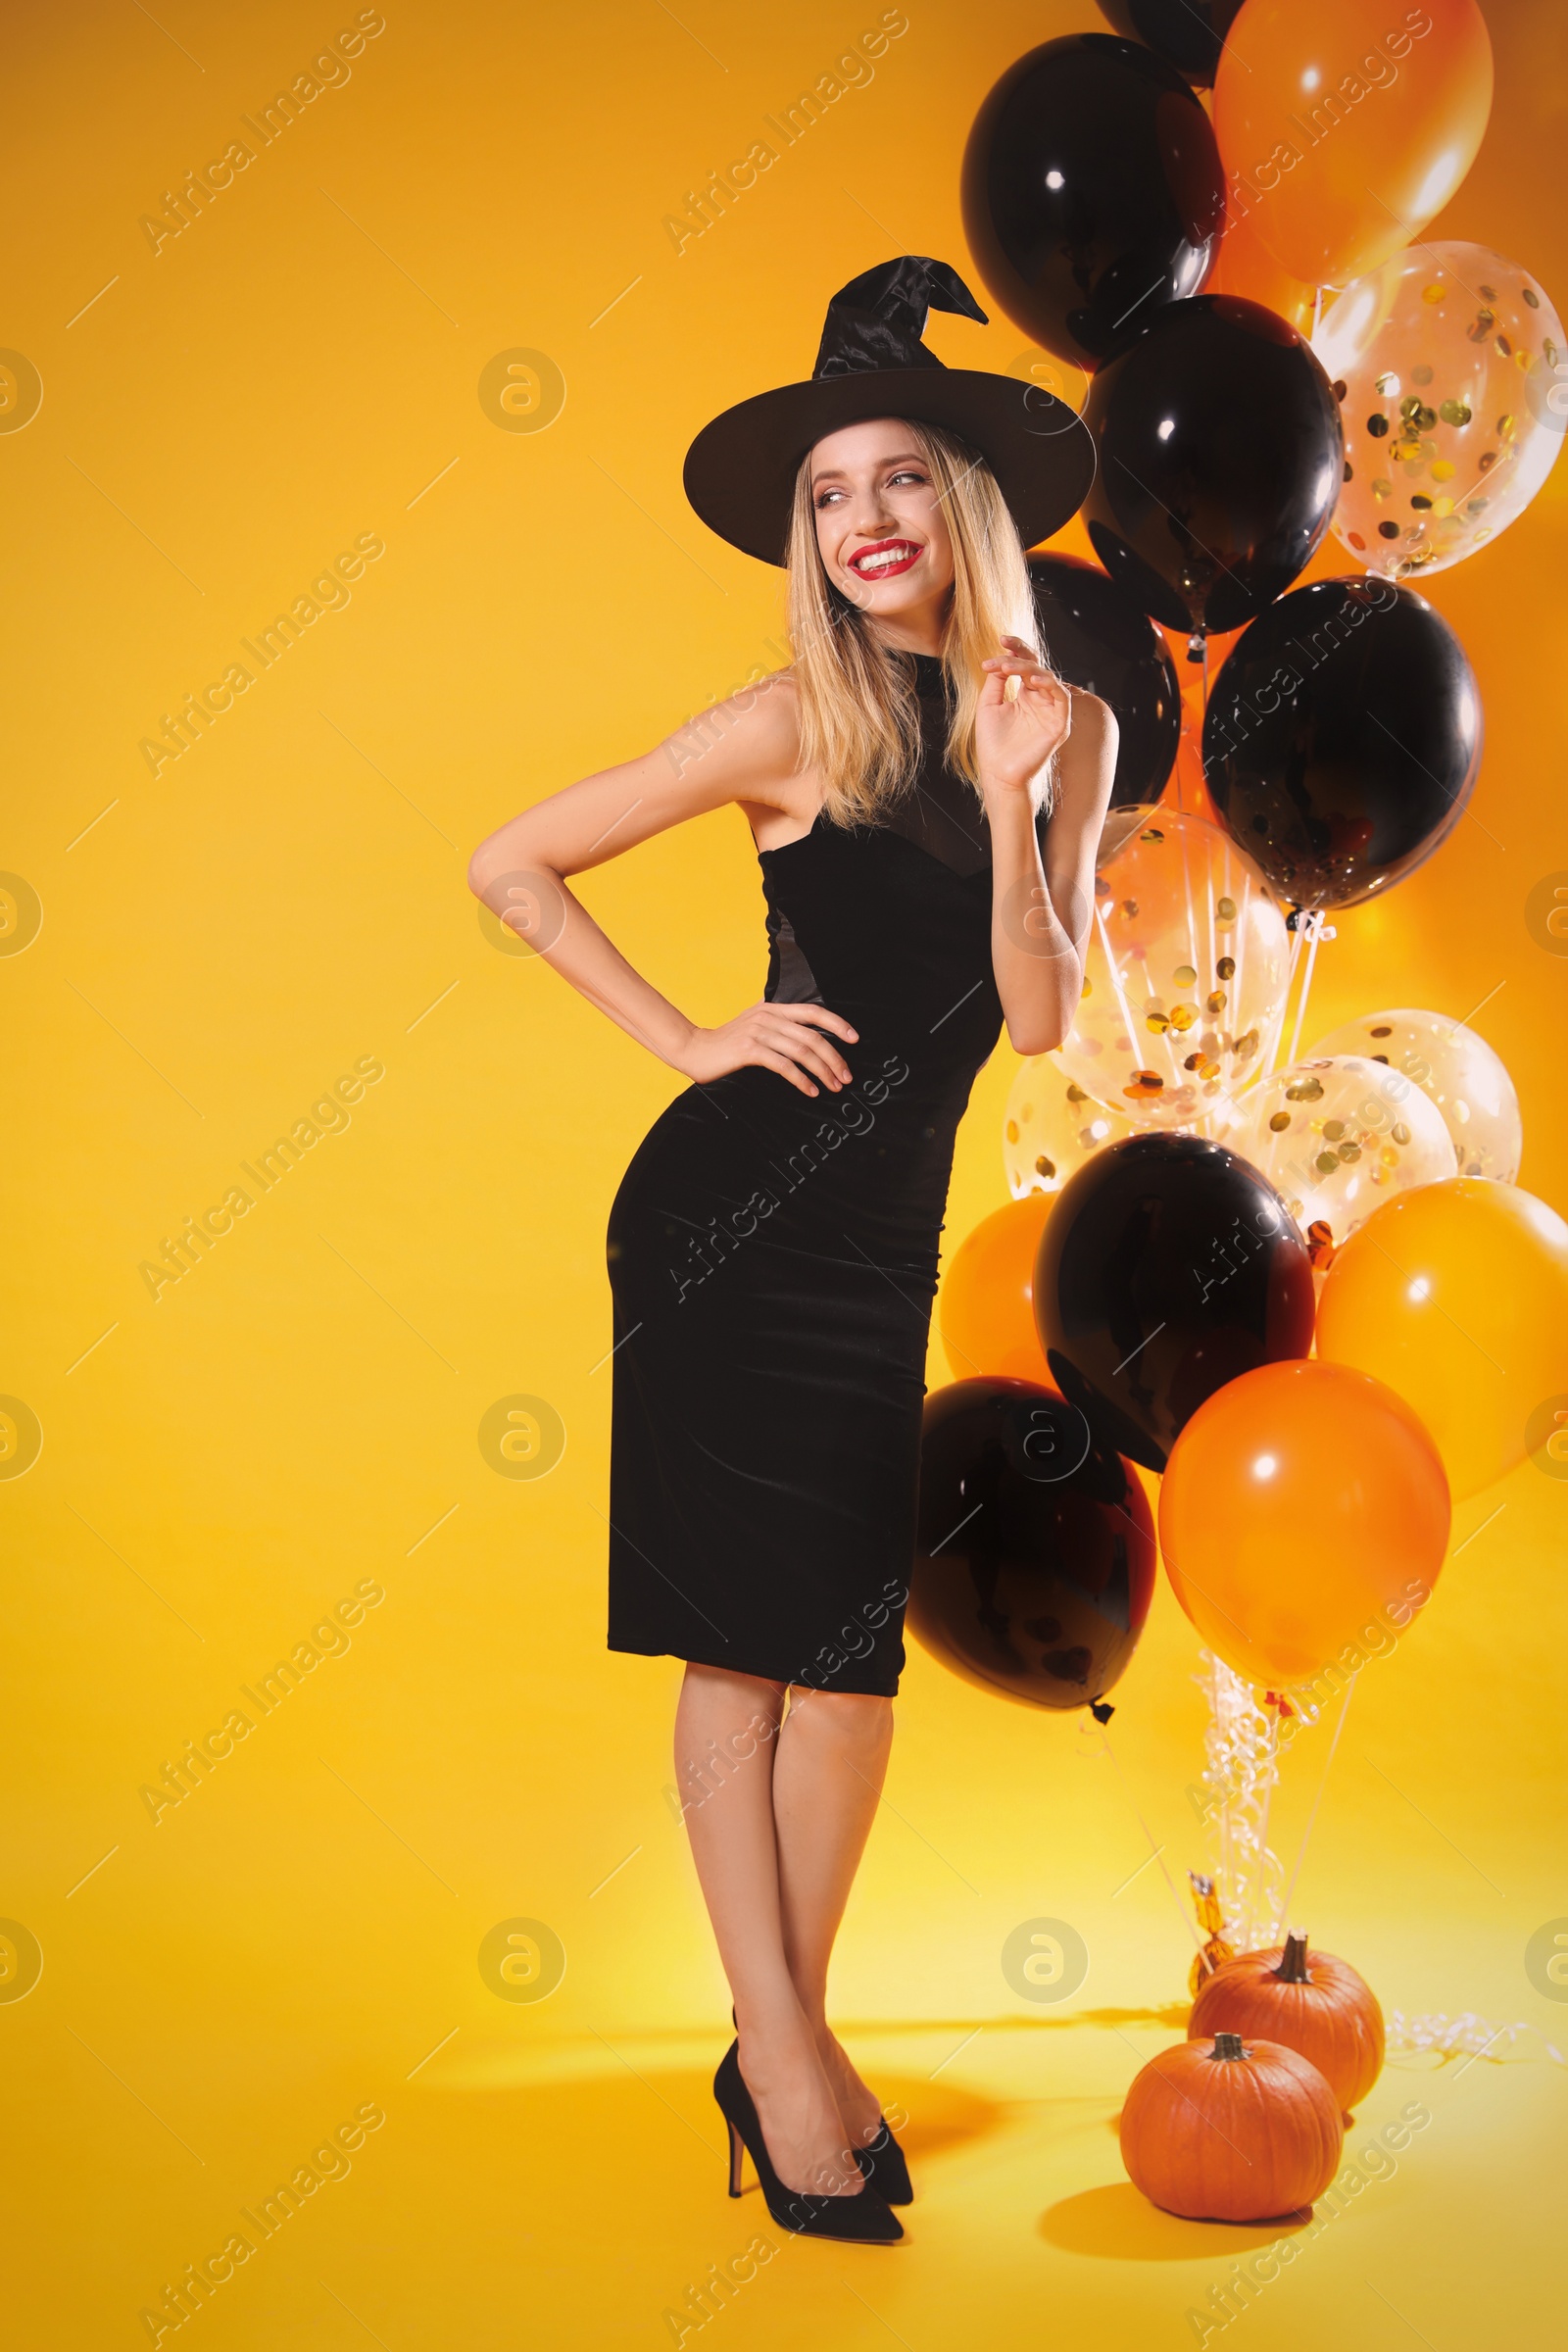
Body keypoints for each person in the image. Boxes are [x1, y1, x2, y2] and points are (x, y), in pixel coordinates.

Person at [469, 258, 1116, 2243]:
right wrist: (685, 1038)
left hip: (874, 1247)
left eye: (893, 482)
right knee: (741, 1659)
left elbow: (1027, 1017)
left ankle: (775, 2047)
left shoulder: (1061, 726)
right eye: (828, 497)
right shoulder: (781, 725)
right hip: (722, 1227)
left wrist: (1010, 809)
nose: (861, 525)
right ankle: (794, 2081)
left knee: (844, 1678)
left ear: (961, 504)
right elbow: (512, 861)